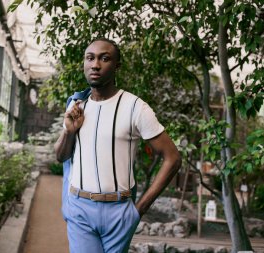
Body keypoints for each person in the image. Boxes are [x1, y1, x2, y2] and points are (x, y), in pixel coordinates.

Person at [54, 38, 181, 253]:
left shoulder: (136, 107)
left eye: (104, 58)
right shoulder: (77, 106)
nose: (95, 64)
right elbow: (61, 156)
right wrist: (69, 130)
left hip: (119, 211)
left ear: (116, 66)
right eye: (90, 58)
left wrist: (138, 210)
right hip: (79, 208)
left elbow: (173, 158)